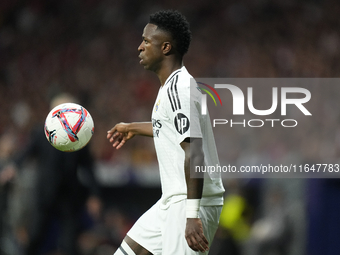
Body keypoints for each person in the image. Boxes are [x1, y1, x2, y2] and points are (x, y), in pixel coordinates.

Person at [107, 10, 225, 255]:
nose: (140, 47)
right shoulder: (170, 87)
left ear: (166, 48)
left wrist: (192, 216)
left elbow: (195, 153)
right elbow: (169, 128)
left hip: (191, 202)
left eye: (147, 41)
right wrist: (132, 128)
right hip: (172, 199)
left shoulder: (180, 89)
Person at [1, 93, 102, 255]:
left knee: (69, 242)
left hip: (68, 196)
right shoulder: (41, 133)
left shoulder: (79, 137)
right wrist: (13, 167)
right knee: (35, 237)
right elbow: (27, 152)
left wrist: (94, 195)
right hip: (45, 194)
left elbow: (88, 167)